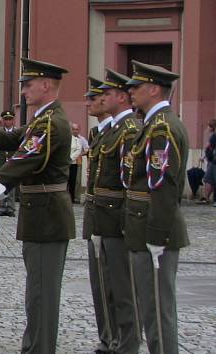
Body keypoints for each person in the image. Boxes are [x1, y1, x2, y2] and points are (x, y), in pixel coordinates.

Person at [0, 58, 75, 354]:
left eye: (29, 84)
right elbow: (5, 139)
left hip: (47, 219)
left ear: (46, 85)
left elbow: (16, 166)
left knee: (42, 297)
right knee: (36, 295)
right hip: (40, 216)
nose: (24, 90)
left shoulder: (51, 123)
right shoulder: (41, 120)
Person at [123, 60, 189, 354]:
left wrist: (156, 236)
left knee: (159, 310)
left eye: (136, 87)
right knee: (149, 307)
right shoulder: (151, 124)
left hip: (154, 232)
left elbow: (162, 185)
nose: (131, 92)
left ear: (153, 89)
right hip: (143, 227)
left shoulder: (161, 127)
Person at [97, 69, 143, 353]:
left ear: (122, 98)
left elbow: (129, 179)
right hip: (106, 215)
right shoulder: (114, 129)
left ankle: (127, 344)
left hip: (118, 216)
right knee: (110, 287)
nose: (101, 99)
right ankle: (116, 340)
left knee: (124, 290)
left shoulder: (129, 130)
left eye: (107, 94)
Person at [81, 76, 117, 353]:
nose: (90, 102)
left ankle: (117, 337)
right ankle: (107, 336)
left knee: (117, 286)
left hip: (114, 220)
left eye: (95, 98)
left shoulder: (126, 131)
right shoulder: (97, 133)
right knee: (100, 285)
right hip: (97, 215)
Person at [69, 123, 89, 203]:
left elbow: (87, 149)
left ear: (79, 130)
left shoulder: (82, 139)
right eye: (73, 129)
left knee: (77, 181)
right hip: (68, 161)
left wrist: (80, 154)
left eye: (77, 129)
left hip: (78, 161)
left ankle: (76, 197)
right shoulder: (68, 138)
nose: (75, 131)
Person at [200, 119, 216, 205]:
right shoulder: (213, 135)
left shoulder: (213, 136)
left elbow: (209, 147)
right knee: (209, 179)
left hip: (213, 160)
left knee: (210, 179)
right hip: (211, 160)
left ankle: (209, 198)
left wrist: (204, 156)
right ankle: (206, 198)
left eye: (209, 125)